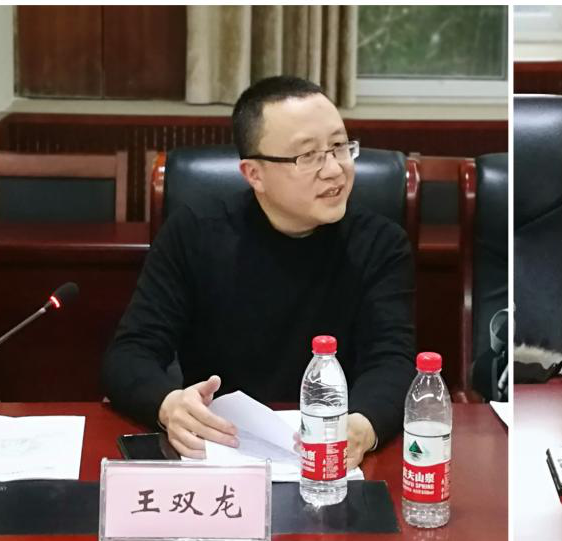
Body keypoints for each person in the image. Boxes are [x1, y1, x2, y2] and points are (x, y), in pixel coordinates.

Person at [102, 76, 416, 466]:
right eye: (308, 155)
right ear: (254, 174)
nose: (335, 169)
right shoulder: (195, 233)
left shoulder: (380, 243)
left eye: (339, 146)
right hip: (223, 453)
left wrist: (362, 427)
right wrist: (169, 406)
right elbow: (130, 354)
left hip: (330, 458)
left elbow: (392, 361)